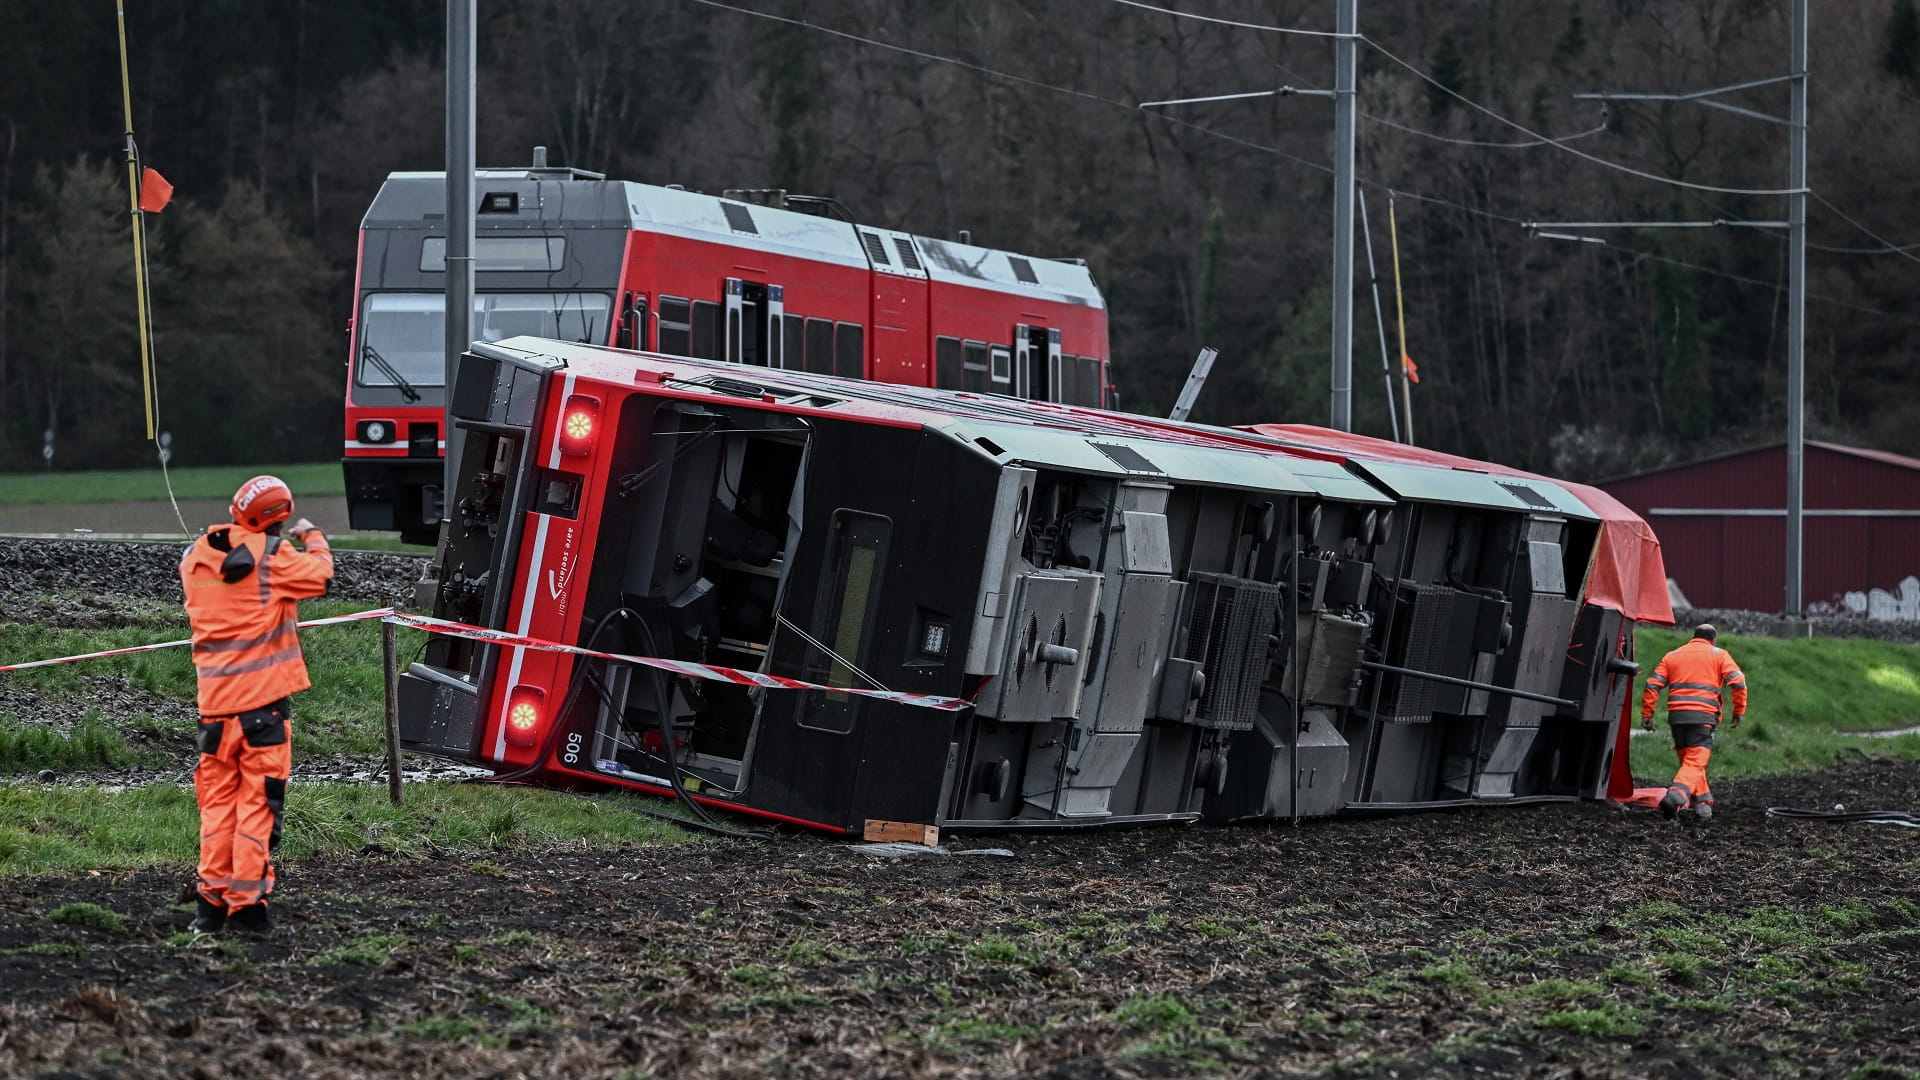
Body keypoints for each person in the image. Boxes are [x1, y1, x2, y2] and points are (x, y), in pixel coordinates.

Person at [178, 476, 334, 934]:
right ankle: (247, 911)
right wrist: (312, 535)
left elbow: (229, 569)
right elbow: (321, 575)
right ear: (278, 520)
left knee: (217, 810)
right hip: (263, 712)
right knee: (257, 809)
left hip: (213, 712)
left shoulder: (196, 557)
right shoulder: (274, 557)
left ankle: (210, 909)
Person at [1640, 623, 1747, 822]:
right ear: (1712, 639)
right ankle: (1676, 796)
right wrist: (1738, 711)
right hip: (1703, 717)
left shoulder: (1672, 655)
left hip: (1677, 718)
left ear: (1693, 637)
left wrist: (1648, 714)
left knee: (1691, 763)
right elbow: (1738, 682)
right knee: (1695, 762)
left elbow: (1652, 684)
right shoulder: (1719, 654)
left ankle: (1703, 806)